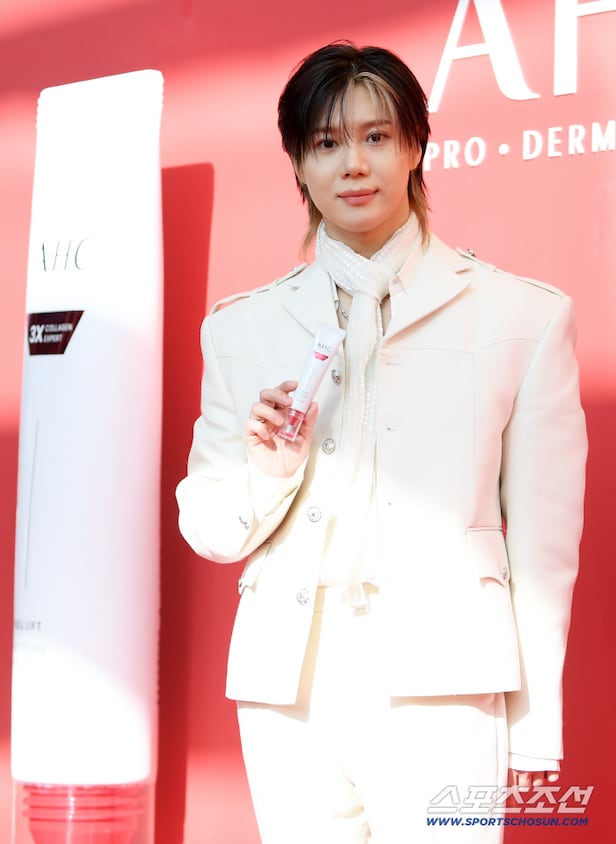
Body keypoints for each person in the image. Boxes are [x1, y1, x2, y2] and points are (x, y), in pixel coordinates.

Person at [176, 42, 587, 843]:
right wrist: (268, 474)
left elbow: (545, 549)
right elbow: (212, 531)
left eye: (376, 136)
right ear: (299, 164)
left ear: (415, 148)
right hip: (288, 691)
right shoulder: (238, 329)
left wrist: (537, 724)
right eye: (326, 143)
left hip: (446, 686)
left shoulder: (523, 317)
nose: (353, 164)